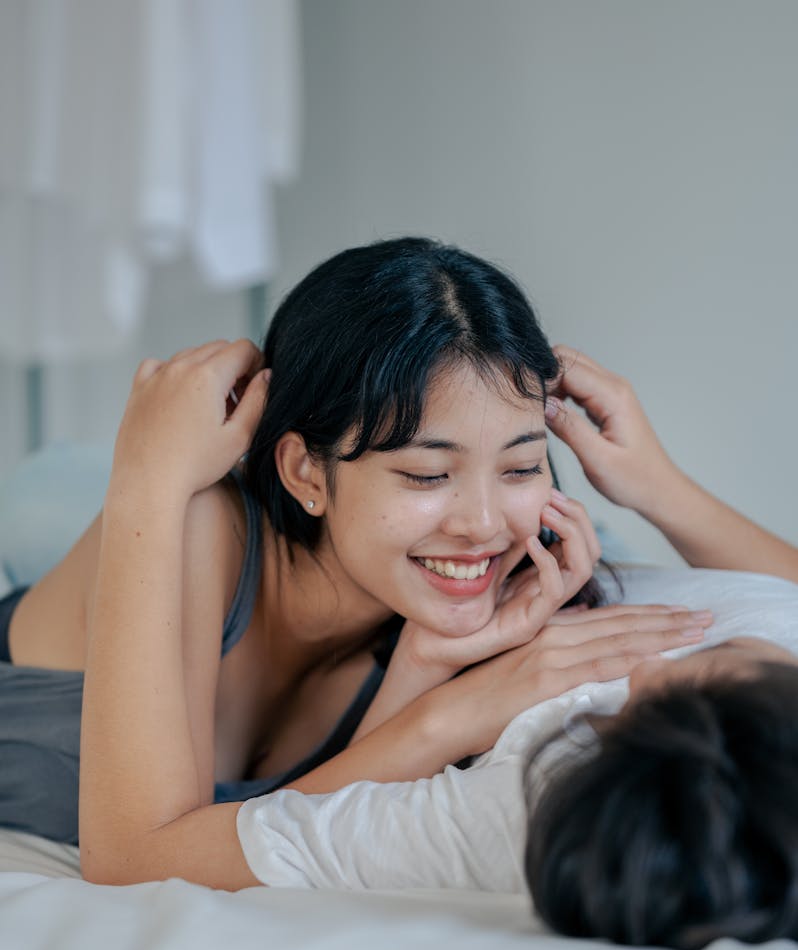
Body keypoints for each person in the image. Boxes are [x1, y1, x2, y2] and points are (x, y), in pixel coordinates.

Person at [0, 238, 711, 885]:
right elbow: (136, 861)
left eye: (523, 467)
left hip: (339, 552)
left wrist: (658, 486)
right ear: (306, 472)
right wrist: (145, 477)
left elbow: (296, 827)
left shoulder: (483, 598)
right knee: (40, 495)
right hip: (173, 541)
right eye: (428, 476)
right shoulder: (192, 526)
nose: (485, 526)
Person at [524, 349, 798, 950]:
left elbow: (271, 833)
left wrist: (439, 688)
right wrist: (658, 487)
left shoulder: (498, 806)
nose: (646, 676)